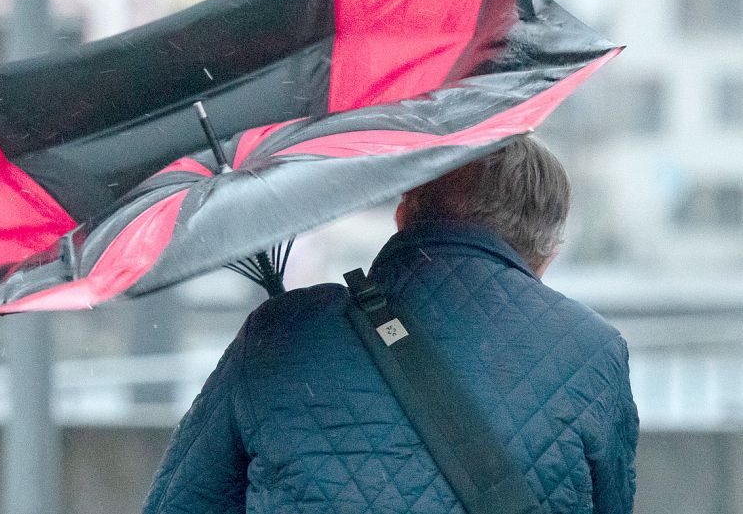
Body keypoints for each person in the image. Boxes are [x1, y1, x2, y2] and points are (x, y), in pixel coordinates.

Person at [142, 135, 639, 513]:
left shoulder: (279, 333)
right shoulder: (595, 352)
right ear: (545, 256)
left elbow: (181, 501)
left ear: (403, 216)